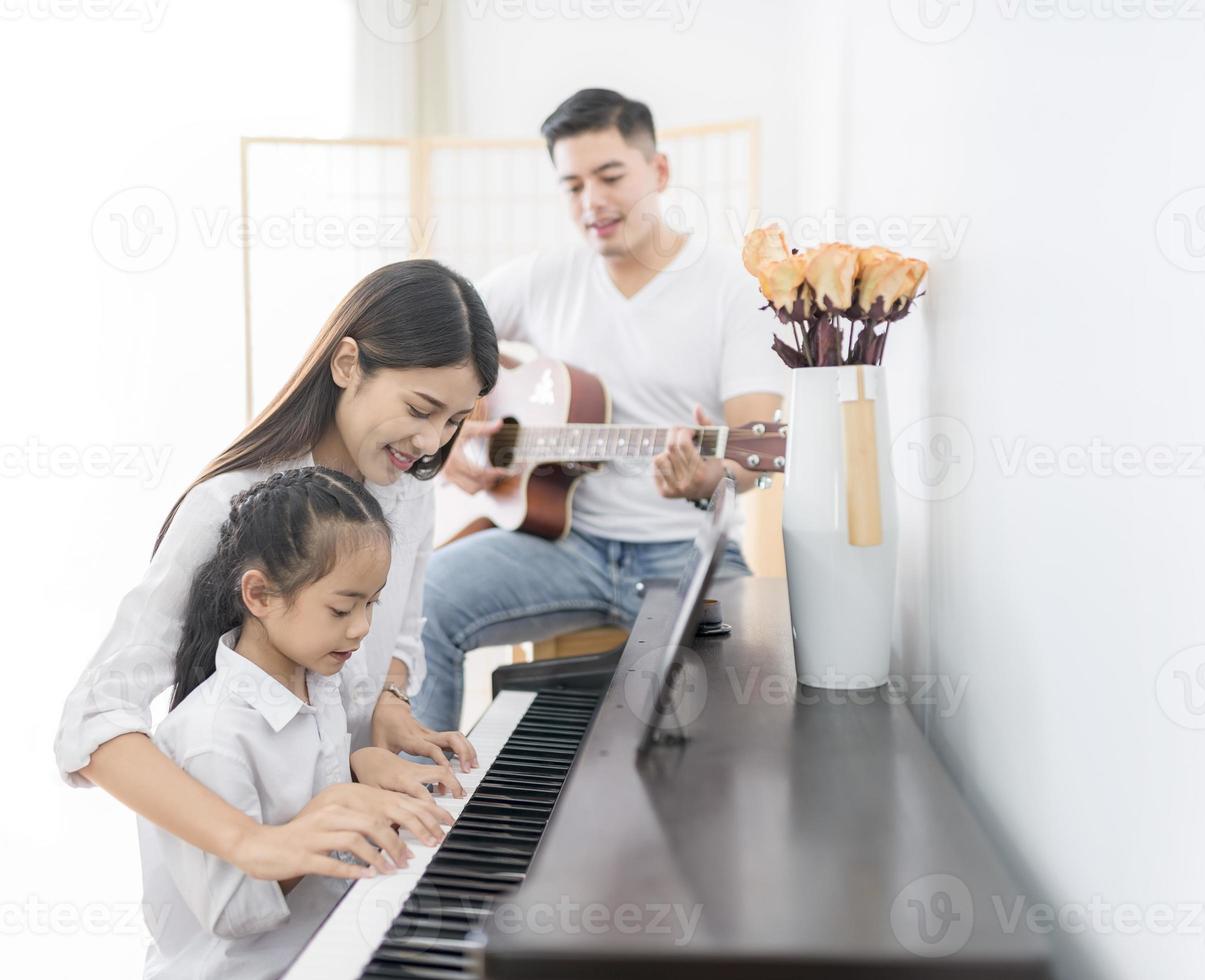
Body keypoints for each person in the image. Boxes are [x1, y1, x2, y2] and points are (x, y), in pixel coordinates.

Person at [55, 259, 495, 883]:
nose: (431, 443)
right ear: (347, 365)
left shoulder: (408, 490)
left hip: (346, 858)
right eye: (421, 409)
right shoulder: (229, 507)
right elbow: (95, 717)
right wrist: (252, 844)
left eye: (454, 421)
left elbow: (398, 635)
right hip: (249, 884)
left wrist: (388, 707)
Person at [414, 89, 788, 734]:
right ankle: (418, 807)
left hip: (687, 551)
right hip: (564, 543)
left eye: (611, 176)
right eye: (572, 185)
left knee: (754, 682)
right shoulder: (539, 278)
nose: (592, 201)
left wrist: (712, 475)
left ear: (659, 171)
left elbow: (757, 447)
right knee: (415, 607)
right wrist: (450, 449)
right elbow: (430, 351)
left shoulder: (736, 287)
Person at [140, 467, 429, 978]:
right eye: (342, 608)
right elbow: (235, 912)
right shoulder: (212, 737)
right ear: (260, 596)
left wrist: (360, 767)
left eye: (372, 603)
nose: (362, 628)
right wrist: (332, 811)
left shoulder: (317, 679)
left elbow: (307, 784)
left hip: (330, 948)